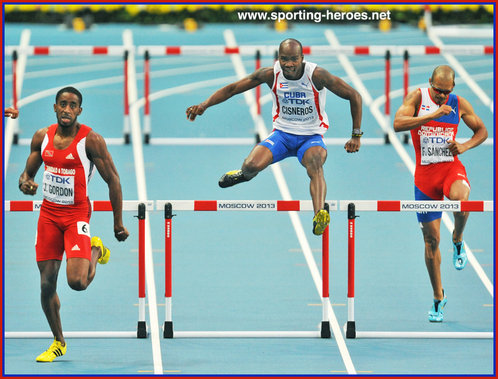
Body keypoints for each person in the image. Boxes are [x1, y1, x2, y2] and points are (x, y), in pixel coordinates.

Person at [186, 38, 363, 235]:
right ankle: (244, 175)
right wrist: (204, 105)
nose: (289, 64)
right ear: (278, 58)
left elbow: (354, 96)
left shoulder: (317, 75)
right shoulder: (271, 74)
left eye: (294, 59)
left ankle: (319, 214)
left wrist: (356, 135)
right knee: (251, 165)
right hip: (282, 135)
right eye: (284, 59)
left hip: (310, 137)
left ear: (302, 58)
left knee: (315, 165)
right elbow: (232, 89)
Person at [18, 86, 129, 361]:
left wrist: (118, 223)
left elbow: (113, 179)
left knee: (77, 282)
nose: (67, 109)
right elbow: (26, 174)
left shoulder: (91, 140)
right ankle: (58, 341)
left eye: (73, 105)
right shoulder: (42, 137)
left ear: (79, 110)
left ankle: (95, 250)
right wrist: (26, 184)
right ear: (55, 107)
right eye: (63, 104)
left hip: (76, 215)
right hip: (48, 217)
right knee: (46, 285)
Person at [393, 65, 488, 322]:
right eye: (437, 91)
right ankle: (438, 297)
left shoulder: (458, 103)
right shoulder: (417, 98)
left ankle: (457, 238)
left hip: (450, 169)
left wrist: (465, 145)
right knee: (431, 241)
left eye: (446, 92)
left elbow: (482, 130)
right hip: (425, 179)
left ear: (452, 88)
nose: (441, 96)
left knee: (461, 201)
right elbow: (398, 124)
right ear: (430, 84)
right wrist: (432, 114)